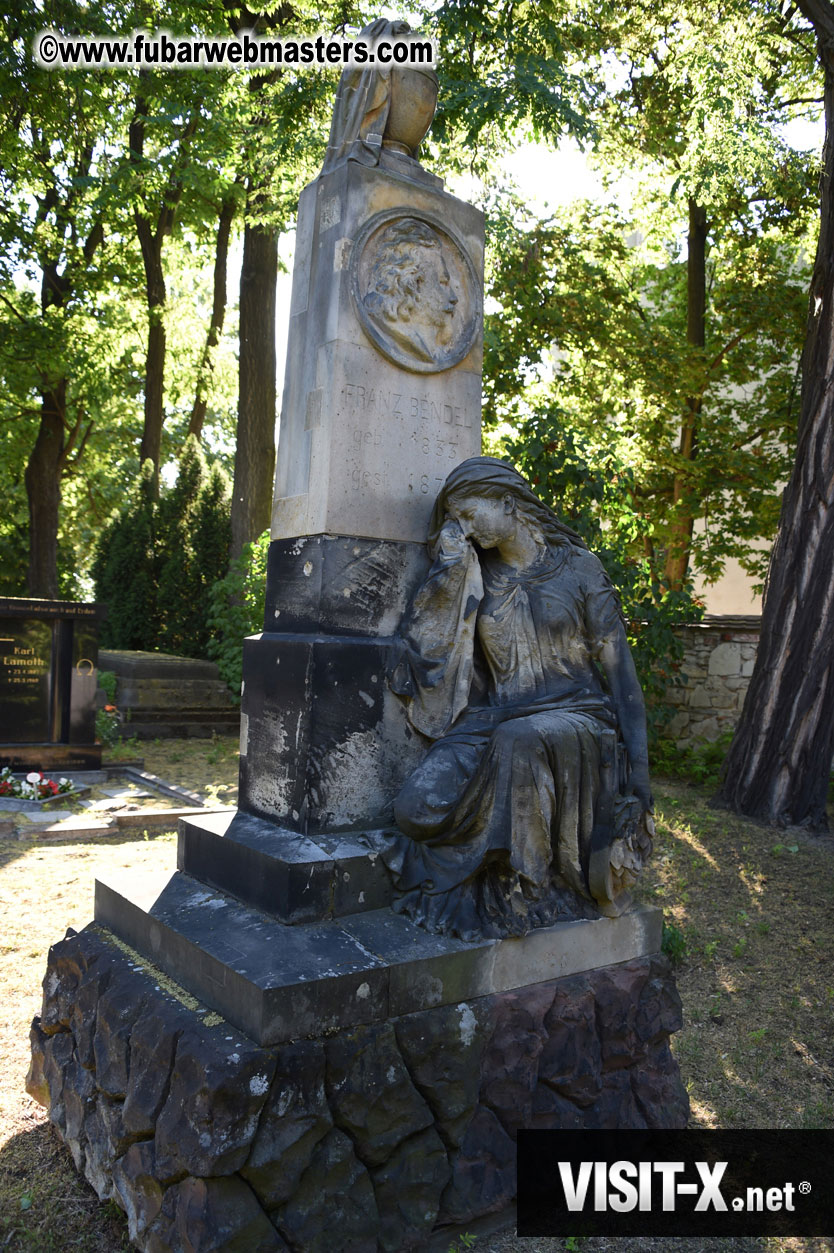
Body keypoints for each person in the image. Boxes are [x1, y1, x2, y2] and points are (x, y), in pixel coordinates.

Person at [385, 456, 653, 941]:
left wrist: (640, 774)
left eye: (469, 515)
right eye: (455, 521)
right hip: (498, 717)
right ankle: (490, 865)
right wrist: (448, 571)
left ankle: (527, 888)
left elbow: (622, 679)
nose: (464, 529)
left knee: (520, 741)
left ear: (509, 504)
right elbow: (433, 649)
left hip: (576, 718)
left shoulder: (579, 569)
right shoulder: (473, 571)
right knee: (414, 808)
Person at [363, 218, 459, 366]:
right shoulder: (392, 330)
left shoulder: (428, 346)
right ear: (413, 283)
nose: (453, 298)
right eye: (443, 283)